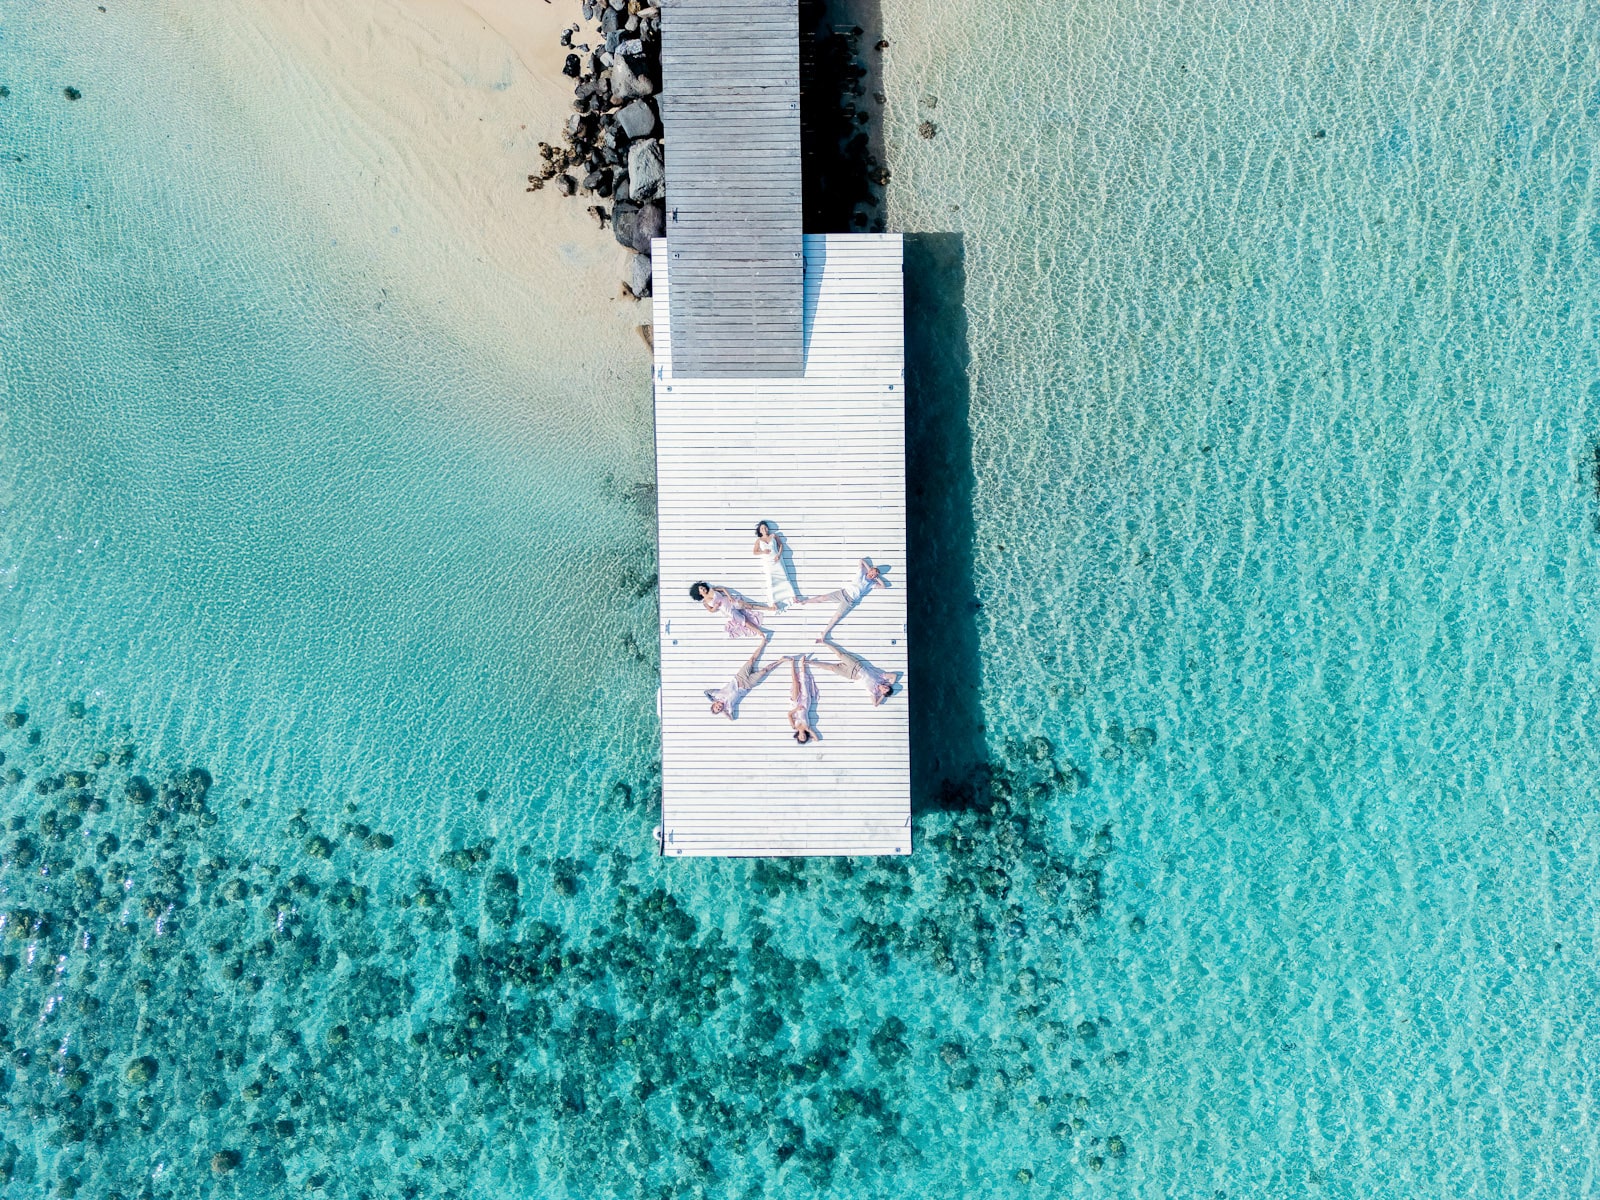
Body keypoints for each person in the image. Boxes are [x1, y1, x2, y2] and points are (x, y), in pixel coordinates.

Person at [800, 559, 887, 641]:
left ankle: (824, 633)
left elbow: (883, 586)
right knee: (823, 597)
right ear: (870, 570)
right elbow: (861, 560)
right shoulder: (861, 573)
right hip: (843, 593)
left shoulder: (870, 584)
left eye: (875, 575)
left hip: (849, 600)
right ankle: (805, 601)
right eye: (872, 573)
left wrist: (877, 578)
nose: (872, 575)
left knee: (837, 616)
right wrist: (870, 569)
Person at [705, 642, 781, 719]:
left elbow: (706, 692)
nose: (719, 707)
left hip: (739, 677)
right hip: (747, 685)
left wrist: (712, 700)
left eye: (716, 707)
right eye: (719, 709)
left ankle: (763, 643)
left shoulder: (717, 695)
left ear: (715, 704)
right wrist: (725, 713)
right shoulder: (729, 708)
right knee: (763, 671)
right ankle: (781, 661)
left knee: (751, 660)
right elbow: (732, 718)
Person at [813, 641, 900, 706]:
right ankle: (823, 642)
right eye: (887, 688)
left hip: (851, 675)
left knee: (831, 668)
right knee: (839, 654)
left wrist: (883, 696)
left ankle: (810, 662)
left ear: (882, 693)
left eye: (885, 691)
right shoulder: (881, 678)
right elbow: (894, 675)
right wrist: (891, 685)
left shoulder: (873, 692)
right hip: (856, 665)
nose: (885, 688)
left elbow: (875, 704)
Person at [689, 581, 774, 639]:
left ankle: (769, 608)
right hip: (727, 610)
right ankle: (759, 632)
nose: (703, 588)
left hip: (730, 601)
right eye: (701, 589)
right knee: (744, 621)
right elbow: (711, 610)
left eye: (702, 587)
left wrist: (729, 597)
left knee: (749, 606)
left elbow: (723, 589)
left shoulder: (712, 589)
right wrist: (715, 606)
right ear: (699, 593)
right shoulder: (705, 602)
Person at [751, 521, 798, 608]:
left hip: (777, 560)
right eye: (762, 528)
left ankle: (792, 596)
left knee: (784, 577)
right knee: (770, 581)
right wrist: (763, 551)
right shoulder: (759, 540)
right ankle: (773, 601)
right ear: (760, 531)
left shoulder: (773, 536)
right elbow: (754, 552)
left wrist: (779, 555)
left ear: (767, 528)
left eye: (765, 527)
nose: (764, 529)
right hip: (768, 563)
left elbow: (781, 545)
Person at [788, 654, 820, 744]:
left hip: (795, 704)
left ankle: (792, 662)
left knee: (795, 683)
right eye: (804, 737)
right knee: (804, 682)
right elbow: (817, 739)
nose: (802, 736)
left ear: (798, 737)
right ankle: (803, 663)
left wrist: (796, 709)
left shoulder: (794, 726)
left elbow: (789, 714)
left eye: (801, 738)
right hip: (806, 704)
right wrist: (810, 733)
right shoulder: (807, 728)